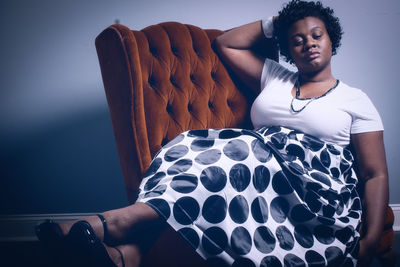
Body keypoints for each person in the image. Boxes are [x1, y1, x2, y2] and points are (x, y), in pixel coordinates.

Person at [35, 1, 389, 266]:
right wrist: (276, 22)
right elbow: (227, 44)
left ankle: (111, 222)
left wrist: (371, 238)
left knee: (240, 156)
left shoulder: (355, 99)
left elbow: (375, 174)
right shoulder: (275, 77)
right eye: (296, 40)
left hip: (314, 193)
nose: (308, 43)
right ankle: (120, 257)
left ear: (331, 40)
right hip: (257, 172)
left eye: (316, 35)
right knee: (206, 154)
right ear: (288, 48)